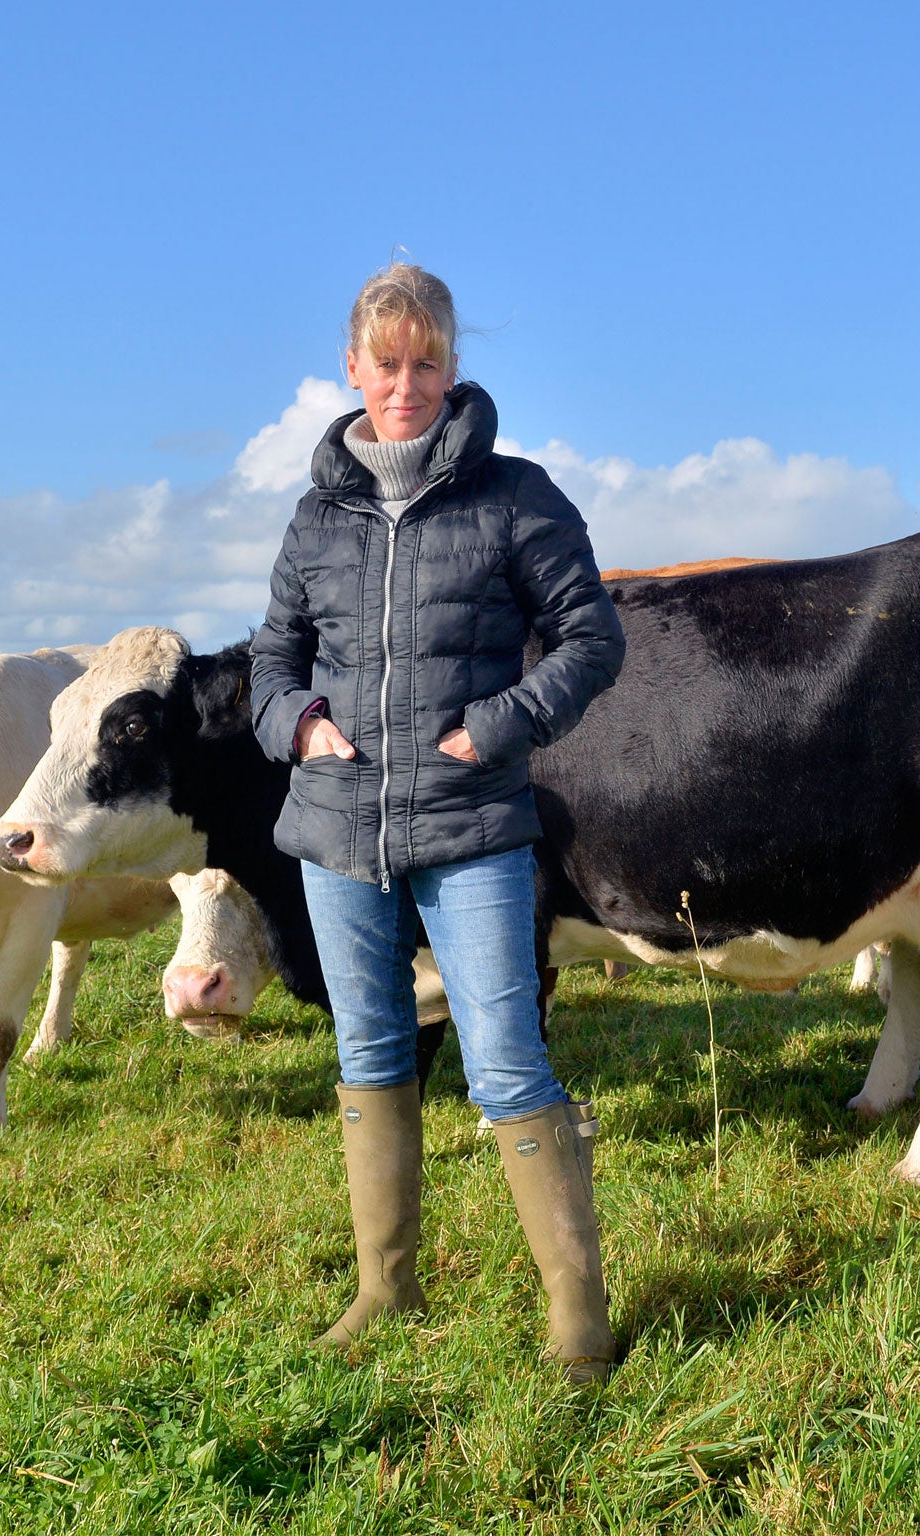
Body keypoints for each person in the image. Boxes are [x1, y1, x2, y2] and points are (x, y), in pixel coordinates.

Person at [250, 263, 627, 1384]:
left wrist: (503, 722)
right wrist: (301, 727)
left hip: (472, 824)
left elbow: (590, 638)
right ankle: (384, 1288)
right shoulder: (316, 517)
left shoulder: (515, 497)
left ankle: (577, 1321)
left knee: (506, 1064)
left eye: (425, 364)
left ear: (451, 368)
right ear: (351, 369)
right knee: (369, 1052)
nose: (404, 386)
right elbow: (272, 660)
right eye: (385, 365)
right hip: (336, 830)